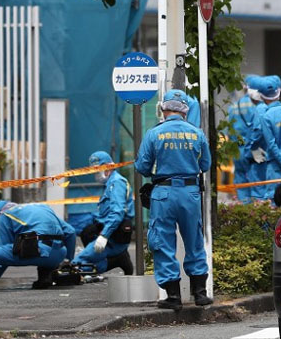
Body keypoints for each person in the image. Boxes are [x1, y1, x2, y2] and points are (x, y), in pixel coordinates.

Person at [135, 89, 213, 310]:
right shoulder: (196, 134)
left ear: (163, 108)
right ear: (185, 111)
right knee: (194, 241)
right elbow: (205, 165)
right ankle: (200, 293)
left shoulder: (154, 133)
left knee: (163, 242)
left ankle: (173, 297)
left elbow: (142, 167)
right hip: (190, 194)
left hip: (163, 193)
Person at [72, 151, 135, 275]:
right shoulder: (110, 184)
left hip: (113, 238)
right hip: (110, 235)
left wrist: (104, 236)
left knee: (77, 264)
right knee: (86, 233)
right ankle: (118, 260)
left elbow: (117, 213)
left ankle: (118, 258)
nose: (96, 174)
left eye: (97, 170)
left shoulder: (117, 183)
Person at [253, 76, 281, 201]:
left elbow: (271, 145)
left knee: (273, 202)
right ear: (279, 91)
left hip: (276, 167)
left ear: (262, 96)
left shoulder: (266, 116)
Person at [227, 75, 261, 203]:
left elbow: (229, 132)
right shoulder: (258, 106)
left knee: (241, 182)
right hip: (255, 151)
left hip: (237, 151)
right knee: (257, 183)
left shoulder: (234, 107)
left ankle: (244, 209)